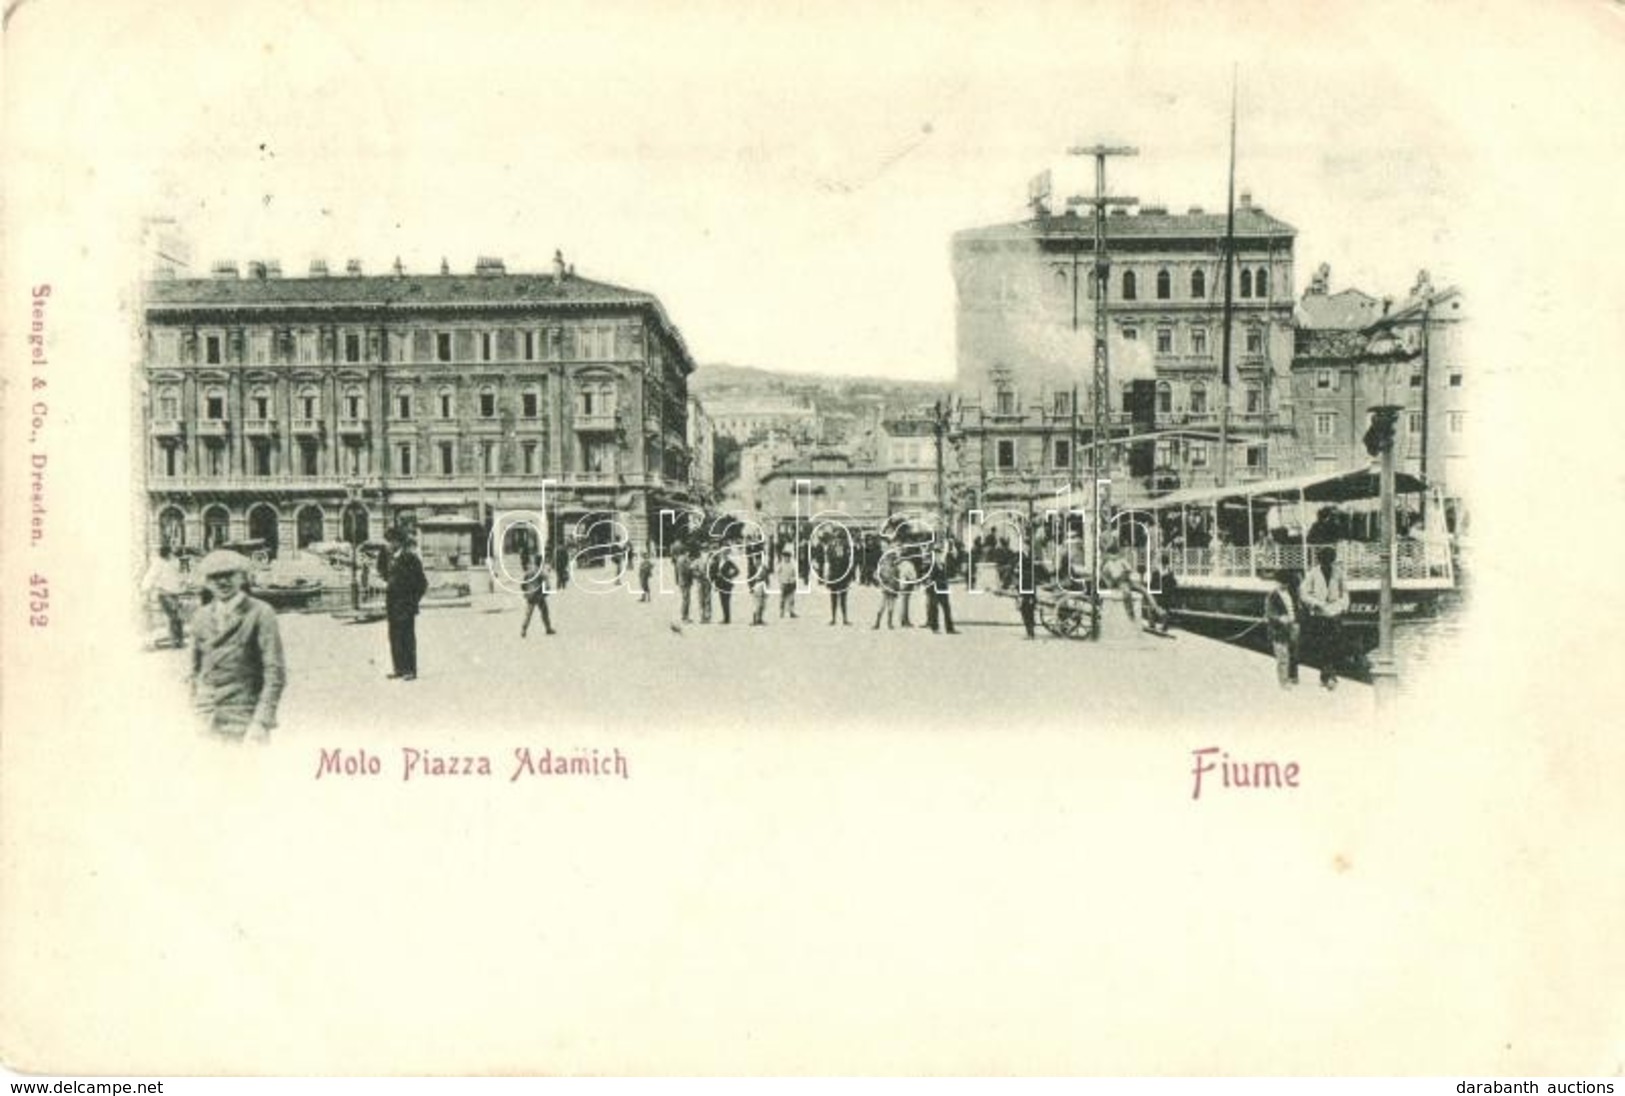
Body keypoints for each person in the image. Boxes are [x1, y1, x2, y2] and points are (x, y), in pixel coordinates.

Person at [189, 549, 285, 740]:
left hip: (244, 718)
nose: (222, 582)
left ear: (242, 577)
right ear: (207, 583)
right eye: (215, 577)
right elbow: (195, 670)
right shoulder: (200, 616)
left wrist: (261, 721)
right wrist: (193, 711)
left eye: (229, 575)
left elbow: (274, 672)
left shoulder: (261, 612)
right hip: (206, 717)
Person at [379, 527, 428, 680]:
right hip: (392, 605)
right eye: (388, 541)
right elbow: (386, 576)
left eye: (391, 541)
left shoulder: (410, 558)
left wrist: (412, 602)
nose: (389, 544)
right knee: (394, 637)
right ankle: (399, 669)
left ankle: (410, 671)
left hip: (405, 605)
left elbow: (422, 583)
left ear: (399, 542)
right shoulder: (389, 558)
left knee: (407, 638)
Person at [1300, 545, 1351, 689]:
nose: (1327, 563)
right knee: (1323, 645)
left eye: (1329, 561)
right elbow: (1304, 593)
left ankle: (1330, 674)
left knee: (1335, 644)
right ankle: (1326, 675)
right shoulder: (1313, 573)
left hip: (1334, 612)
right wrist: (1317, 603)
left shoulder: (1338, 572)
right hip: (1319, 614)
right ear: (1320, 561)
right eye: (1325, 561)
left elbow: (1345, 592)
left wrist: (1342, 605)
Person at [141, 544, 188, 648]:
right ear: (167, 554)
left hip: (174, 594)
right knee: (173, 617)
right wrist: (145, 591)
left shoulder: (171, 564)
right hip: (165, 594)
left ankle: (178, 641)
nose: (173, 555)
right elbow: (149, 579)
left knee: (178, 617)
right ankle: (175, 641)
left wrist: (183, 585)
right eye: (171, 553)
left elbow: (177, 579)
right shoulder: (158, 564)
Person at [1265, 568, 1302, 688]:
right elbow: (1270, 613)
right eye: (1281, 583)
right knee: (1282, 657)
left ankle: (1293, 677)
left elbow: (1295, 608)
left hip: (1292, 627)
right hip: (1278, 630)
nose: (1283, 585)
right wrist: (1280, 618)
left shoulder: (1291, 593)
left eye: (1285, 583)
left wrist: (1296, 621)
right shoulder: (1272, 595)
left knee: (1294, 654)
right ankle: (1283, 681)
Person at [520, 556, 555, 637]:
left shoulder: (529, 572)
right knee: (544, 612)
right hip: (539, 596)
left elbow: (523, 584)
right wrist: (546, 593)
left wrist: (526, 592)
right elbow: (546, 585)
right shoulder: (541, 573)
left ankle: (523, 629)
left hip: (530, 595)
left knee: (528, 614)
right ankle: (548, 628)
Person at [929, 540, 959, 635]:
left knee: (946, 607)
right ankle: (935, 627)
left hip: (943, 588)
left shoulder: (942, 564)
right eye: (937, 553)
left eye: (940, 553)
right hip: (934, 589)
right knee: (934, 608)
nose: (939, 555)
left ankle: (949, 628)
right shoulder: (931, 566)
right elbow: (929, 578)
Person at [824, 538, 852, 625]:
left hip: (843, 579)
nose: (838, 545)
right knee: (833, 599)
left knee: (843, 600)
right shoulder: (831, 555)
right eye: (836, 543)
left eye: (839, 543)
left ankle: (844, 619)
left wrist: (849, 579)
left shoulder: (846, 556)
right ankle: (833, 618)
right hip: (834, 579)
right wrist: (827, 580)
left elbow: (849, 568)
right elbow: (828, 567)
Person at [1015, 540, 1038, 640]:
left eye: (1025, 546)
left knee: (1026, 609)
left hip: (1027, 584)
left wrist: (1017, 570)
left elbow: (1020, 570)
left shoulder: (1027, 558)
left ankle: (1030, 633)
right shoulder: (1027, 557)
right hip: (1027, 584)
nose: (1024, 548)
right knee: (1027, 608)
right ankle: (1030, 631)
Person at [711, 544, 738, 625]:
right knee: (722, 601)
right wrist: (715, 578)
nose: (723, 554)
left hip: (727, 584)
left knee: (726, 601)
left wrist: (729, 575)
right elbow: (713, 572)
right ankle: (725, 617)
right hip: (719, 584)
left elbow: (737, 571)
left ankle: (727, 618)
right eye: (722, 552)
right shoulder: (718, 561)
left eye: (725, 552)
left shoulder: (729, 562)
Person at [873, 547, 900, 629]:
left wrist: (897, 589)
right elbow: (875, 574)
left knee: (890, 606)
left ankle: (888, 623)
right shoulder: (884, 566)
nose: (892, 560)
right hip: (886, 588)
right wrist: (882, 580)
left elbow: (898, 579)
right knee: (883, 605)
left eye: (893, 558)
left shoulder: (896, 568)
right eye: (891, 558)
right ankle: (878, 623)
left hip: (892, 588)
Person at [776, 547, 798, 618]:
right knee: (782, 599)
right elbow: (778, 573)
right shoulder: (781, 565)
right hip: (784, 584)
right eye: (785, 557)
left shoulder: (792, 565)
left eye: (788, 557)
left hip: (790, 584)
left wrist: (794, 581)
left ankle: (791, 612)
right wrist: (780, 581)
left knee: (791, 599)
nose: (786, 559)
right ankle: (781, 612)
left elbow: (794, 574)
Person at [675, 545, 695, 623]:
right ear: (685, 551)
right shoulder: (684, 559)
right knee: (686, 600)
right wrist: (692, 568)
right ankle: (685, 617)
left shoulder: (679, 559)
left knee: (685, 599)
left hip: (682, 581)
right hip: (685, 581)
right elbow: (686, 570)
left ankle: (685, 616)